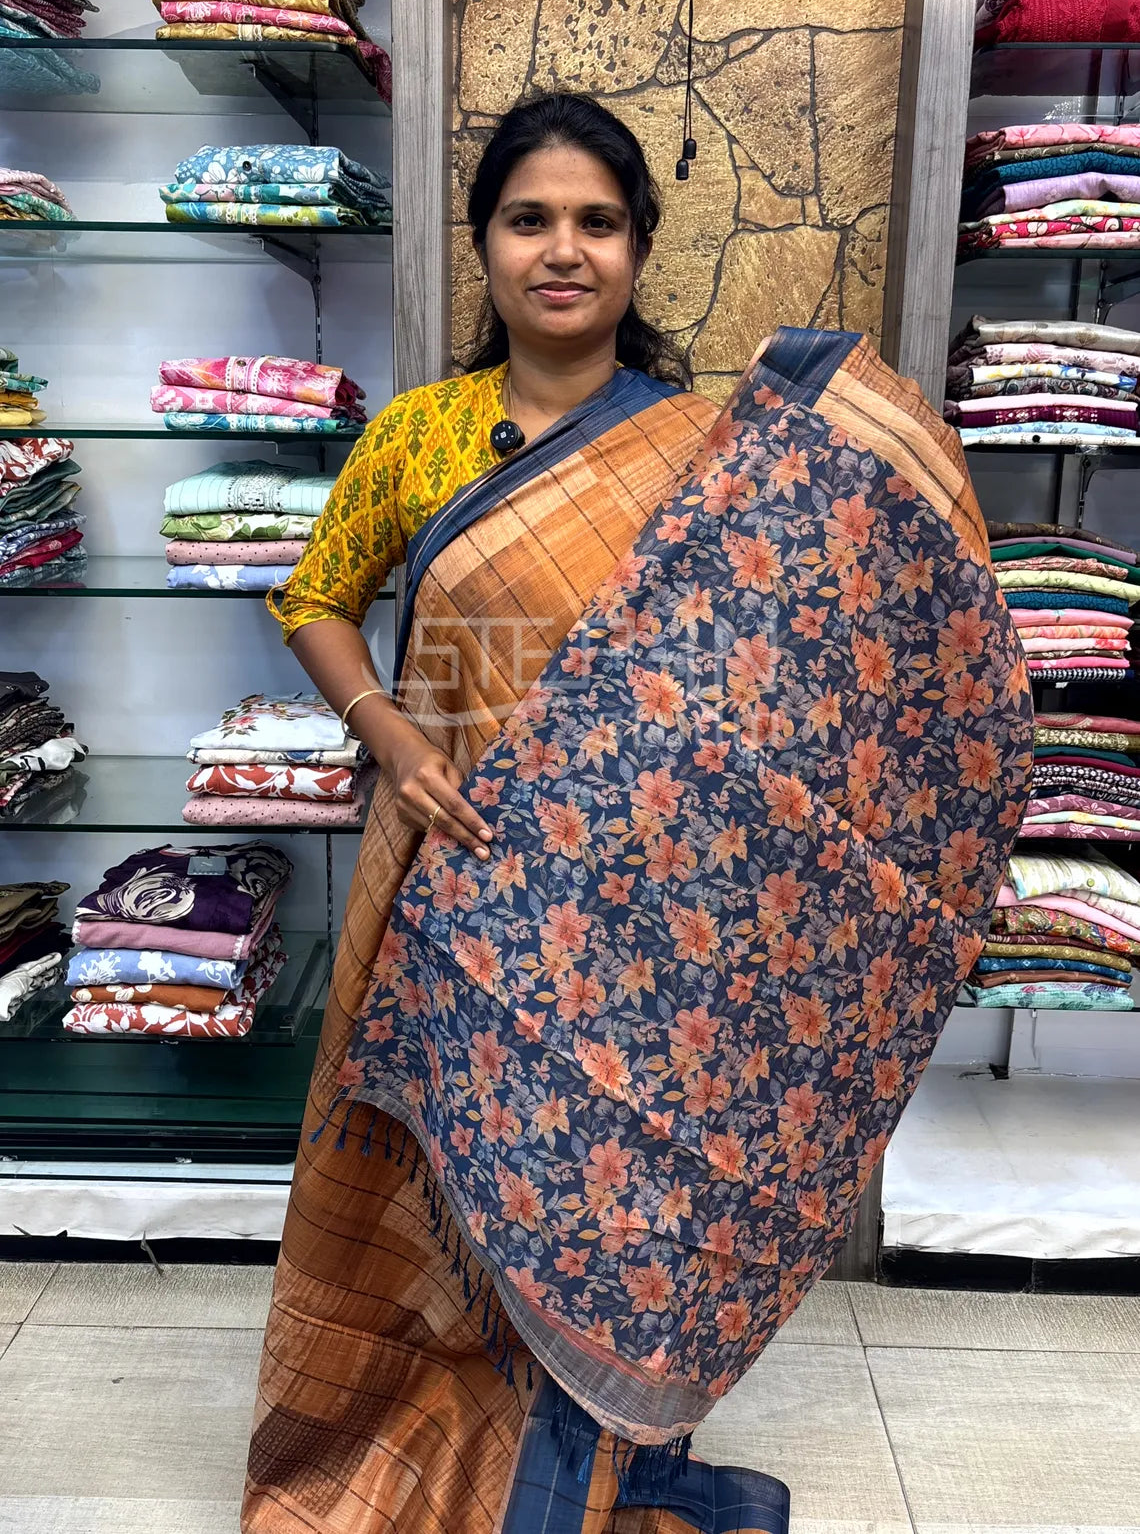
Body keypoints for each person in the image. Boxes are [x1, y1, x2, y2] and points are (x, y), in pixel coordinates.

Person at [243, 93, 1033, 1534]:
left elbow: (813, 636)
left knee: (619, 1194)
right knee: (437, 1174)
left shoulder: (707, 449)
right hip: (455, 872)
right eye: (529, 219)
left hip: (649, 913)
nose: (563, 250)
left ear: (639, 247)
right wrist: (389, 733)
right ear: (482, 244)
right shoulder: (419, 439)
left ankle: (582, 1474)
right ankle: (416, 1439)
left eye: (596, 222)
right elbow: (311, 601)